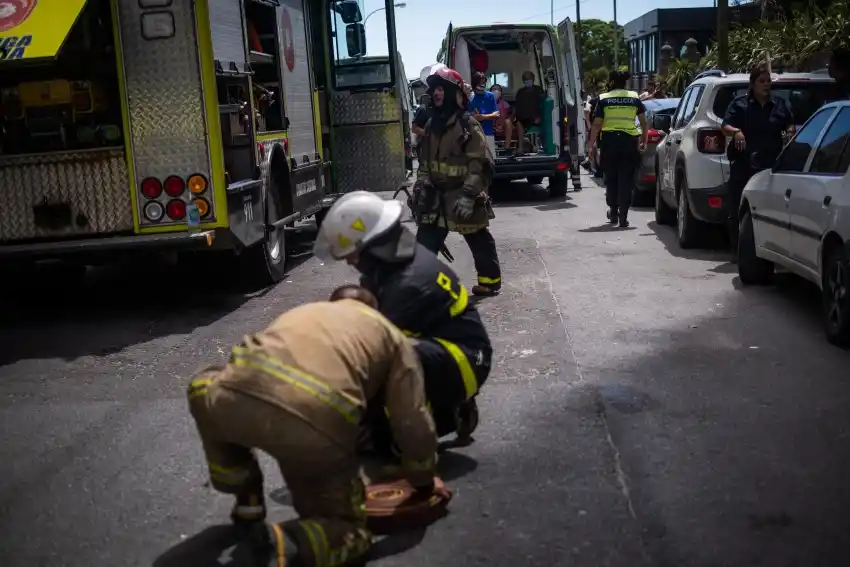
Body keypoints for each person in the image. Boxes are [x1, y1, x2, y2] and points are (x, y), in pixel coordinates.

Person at [187, 292, 446, 567]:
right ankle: (284, 542)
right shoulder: (391, 336)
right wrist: (422, 477)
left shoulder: (305, 311)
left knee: (203, 387)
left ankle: (246, 498)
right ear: (374, 309)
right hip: (311, 428)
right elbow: (411, 419)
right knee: (348, 531)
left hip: (230, 404)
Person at [313, 191, 493, 449]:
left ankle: (434, 422)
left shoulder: (408, 283)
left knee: (385, 359)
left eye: (354, 253)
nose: (350, 261)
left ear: (375, 244)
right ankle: (448, 406)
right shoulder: (395, 263)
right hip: (448, 350)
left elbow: (370, 351)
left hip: (466, 361)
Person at [409, 65, 502, 296]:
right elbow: (425, 162)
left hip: (463, 194)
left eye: (441, 89)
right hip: (436, 196)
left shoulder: (468, 125)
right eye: (434, 90)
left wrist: (469, 195)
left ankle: (489, 281)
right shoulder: (431, 125)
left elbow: (480, 164)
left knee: (478, 238)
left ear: (454, 94)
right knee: (424, 243)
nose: (436, 93)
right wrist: (421, 186)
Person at [721, 65, 795, 257]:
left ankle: (769, 249)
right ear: (752, 84)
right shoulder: (740, 104)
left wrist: (790, 131)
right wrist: (736, 132)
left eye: (768, 81)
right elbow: (725, 126)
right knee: (737, 206)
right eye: (762, 81)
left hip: (770, 165)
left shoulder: (779, 105)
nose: (766, 85)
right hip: (744, 163)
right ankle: (738, 250)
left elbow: (789, 123)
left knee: (768, 209)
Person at [587, 70, 647, 228]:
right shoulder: (634, 97)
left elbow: (596, 125)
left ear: (612, 82)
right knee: (627, 179)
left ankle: (614, 211)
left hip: (609, 143)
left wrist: (591, 146)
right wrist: (644, 141)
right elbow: (643, 122)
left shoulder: (604, 98)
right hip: (629, 142)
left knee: (611, 178)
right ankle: (623, 217)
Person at [468, 71, 500, 156]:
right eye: (480, 81)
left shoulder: (491, 96)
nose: (483, 83)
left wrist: (481, 116)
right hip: (475, 135)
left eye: (484, 80)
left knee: (491, 159)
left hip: (488, 133)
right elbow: (473, 117)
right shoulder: (471, 98)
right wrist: (490, 115)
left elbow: (497, 114)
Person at [514, 70, 546, 155]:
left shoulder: (538, 90)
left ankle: (537, 146)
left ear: (533, 79)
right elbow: (517, 106)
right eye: (525, 79)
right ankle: (520, 148)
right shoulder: (520, 92)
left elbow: (543, 105)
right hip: (523, 118)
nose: (527, 81)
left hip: (536, 117)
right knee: (518, 123)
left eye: (529, 79)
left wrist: (540, 117)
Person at [491, 83, 514, 147]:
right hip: (490, 126)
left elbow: (511, 113)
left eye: (498, 89)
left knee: (508, 122)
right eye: (494, 89)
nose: (496, 91)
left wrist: (501, 126)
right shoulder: (486, 103)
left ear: (501, 93)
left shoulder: (505, 104)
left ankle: (507, 146)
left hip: (502, 126)